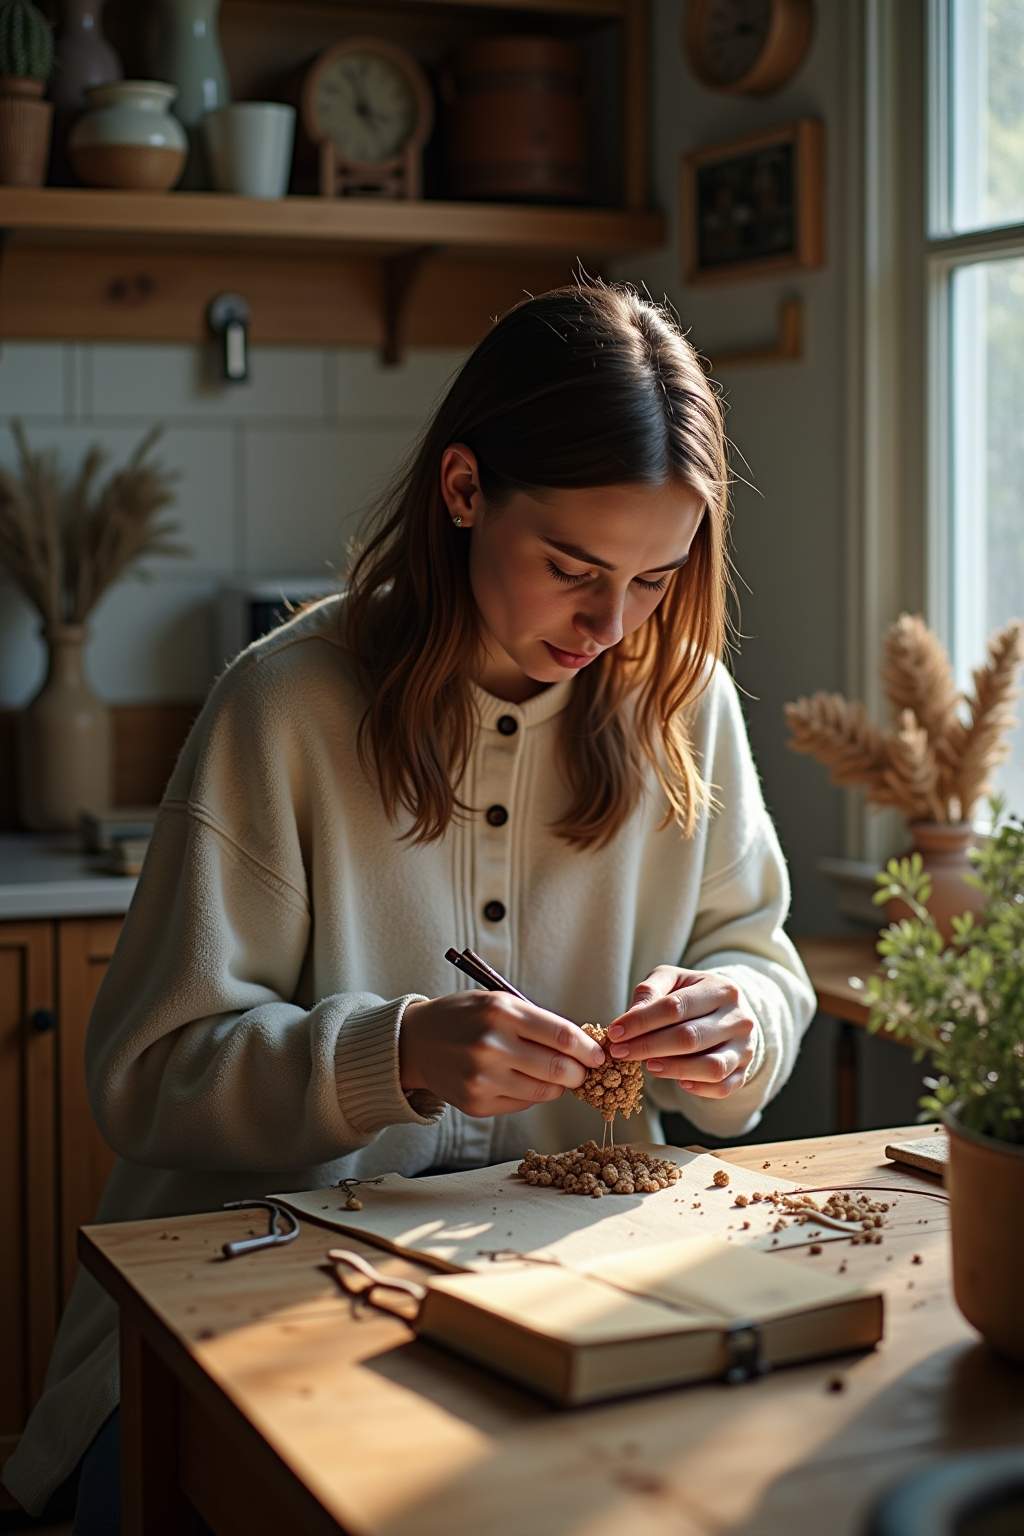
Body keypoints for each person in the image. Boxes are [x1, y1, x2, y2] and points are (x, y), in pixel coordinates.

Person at [4, 274, 816, 1531]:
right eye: (571, 567)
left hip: (575, 1286)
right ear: (463, 489)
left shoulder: (681, 700)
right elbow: (146, 1078)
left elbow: (758, 962)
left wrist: (736, 1022)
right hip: (251, 1287)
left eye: (655, 579)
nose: (611, 623)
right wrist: (397, 1058)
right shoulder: (282, 704)